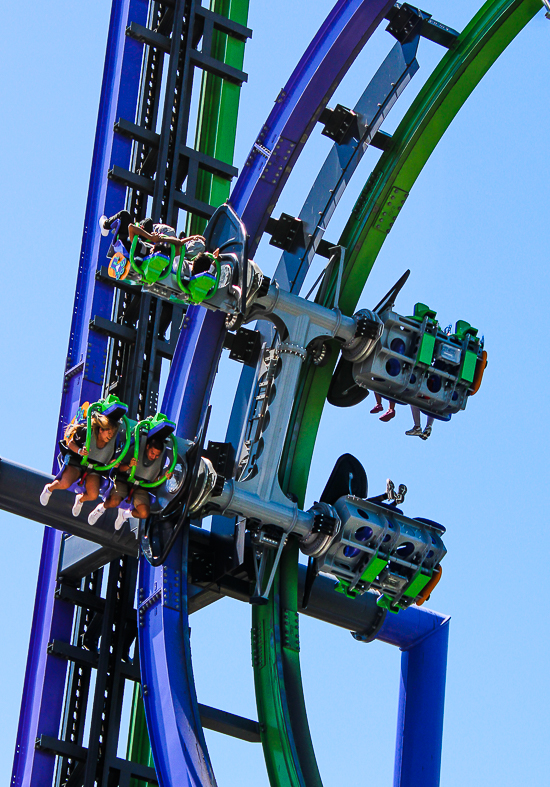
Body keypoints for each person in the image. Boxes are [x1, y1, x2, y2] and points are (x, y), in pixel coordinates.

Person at [40, 412, 120, 516]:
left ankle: (80, 500)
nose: (110, 436)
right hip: (78, 462)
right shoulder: (86, 433)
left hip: (93, 467)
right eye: (109, 433)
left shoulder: (112, 443)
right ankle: (49, 489)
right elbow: (70, 444)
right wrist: (79, 451)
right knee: (65, 483)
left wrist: (112, 463)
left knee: (93, 495)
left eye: (112, 434)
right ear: (101, 430)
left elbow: (107, 458)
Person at [87, 435, 172, 530]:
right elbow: (120, 468)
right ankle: (101, 508)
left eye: (157, 455)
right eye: (152, 453)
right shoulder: (135, 450)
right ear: (147, 447)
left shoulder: (159, 460)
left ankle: (125, 515)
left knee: (144, 513)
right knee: (115, 501)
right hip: (124, 479)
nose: (154, 457)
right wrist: (129, 465)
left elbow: (153, 479)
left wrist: (164, 477)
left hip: (140, 484)